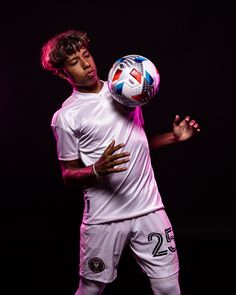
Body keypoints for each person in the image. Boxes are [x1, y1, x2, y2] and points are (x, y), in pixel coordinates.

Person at [41, 29, 200, 295]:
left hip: (149, 209)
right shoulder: (66, 117)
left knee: (169, 286)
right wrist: (95, 169)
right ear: (62, 72)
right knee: (91, 289)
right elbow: (68, 174)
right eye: (74, 62)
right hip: (104, 218)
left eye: (86, 55)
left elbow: (138, 143)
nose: (86, 64)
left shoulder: (126, 89)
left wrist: (173, 137)